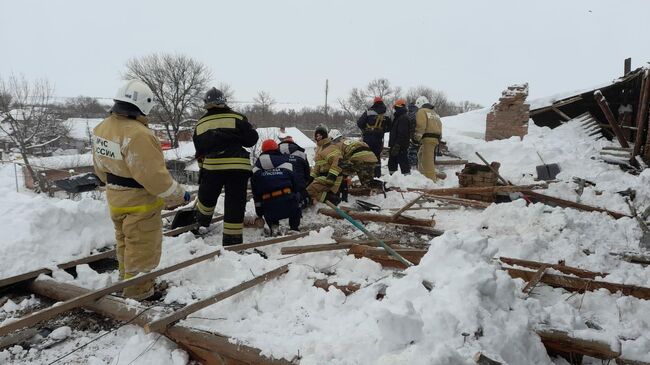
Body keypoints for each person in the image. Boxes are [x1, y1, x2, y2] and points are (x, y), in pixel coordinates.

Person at [93, 79, 189, 300]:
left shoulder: (102, 128)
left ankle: (127, 282)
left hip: (115, 199)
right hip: (140, 204)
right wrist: (178, 194)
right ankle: (139, 293)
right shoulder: (138, 135)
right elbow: (154, 177)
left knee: (124, 243)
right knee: (142, 248)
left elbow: (99, 168)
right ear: (144, 105)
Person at [192, 87, 259, 245]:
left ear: (206, 104)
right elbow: (251, 140)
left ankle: (201, 221)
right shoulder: (237, 118)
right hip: (238, 169)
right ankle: (232, 242)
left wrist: (203, 169)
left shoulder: (200, 124)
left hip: (213, 168)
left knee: (206, 198)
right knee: (235, 203)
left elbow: (199, 152)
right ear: (224, 102)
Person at [251, 139, 301, 236]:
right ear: (276, 149)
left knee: (269, 208)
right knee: (296, 200)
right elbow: (296, 185)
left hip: (269, 206)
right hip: (289, 203)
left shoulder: (256, 169)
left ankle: (274, 226)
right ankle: (294, 228)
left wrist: (259, 212)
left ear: (263, 151)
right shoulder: (287, 164)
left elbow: (256, 193)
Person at [306, 124, 342, 205]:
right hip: (324, 176)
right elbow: (317, 166)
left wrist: (331, 178)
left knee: (309, 190)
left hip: (331, 178)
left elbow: (338, 162)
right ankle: (329, 196)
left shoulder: (330, 147)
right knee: (308, 188)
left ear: (324, 135)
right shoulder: (320, 148)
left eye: (320, 135)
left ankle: (333, 199)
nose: (318, 137)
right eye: (316, 135)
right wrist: (311, 178)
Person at [356, 96, 391, 177]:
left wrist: (365, 129)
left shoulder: (369, 112)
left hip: (368, 138)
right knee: (377, 156)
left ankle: (368, 175)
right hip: (379, 138)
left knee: (367, 156)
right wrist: (381, 130)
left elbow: (360, 123)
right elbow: (390, 127)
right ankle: (377, 175)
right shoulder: (387, 113)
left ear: (374, 102)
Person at [413, 96, 443, 181]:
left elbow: (421, 125)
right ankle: (422, 176)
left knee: (427, 161)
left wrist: (416, 138)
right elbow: (440, 126)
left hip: (427, 139)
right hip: (435, 139)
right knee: (420, 155)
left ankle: (431, 181)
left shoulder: (421, 111)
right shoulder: (434, 113)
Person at [278, 134, 310, 207]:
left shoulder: (275, 154)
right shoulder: (301, 154)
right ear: (293, 143)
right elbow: (307, 172)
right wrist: (306, 182)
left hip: (281, 187)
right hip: (299, 187)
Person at [387, 99, 411, 175]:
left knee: (403, 163)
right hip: (396, 145)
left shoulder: (403, 118)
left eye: (395, 108)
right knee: (392, 163)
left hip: (399, 146)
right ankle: (393, 178)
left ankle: (407, 179)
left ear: (399, 107)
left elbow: (402, 133)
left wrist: (397, 145)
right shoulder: (398, 117)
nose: (395, 110)